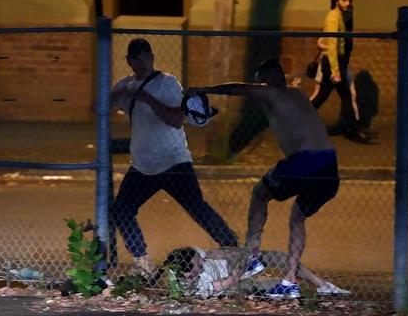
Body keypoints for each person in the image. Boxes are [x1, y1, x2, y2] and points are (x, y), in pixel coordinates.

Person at [187, 59, 340, 299]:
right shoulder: (297, 94)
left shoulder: (273, 93)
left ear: (267, 79)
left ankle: (253, 256)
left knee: (260, 193)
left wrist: (204, 90)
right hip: (329, 165)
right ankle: (289, 281)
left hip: (305, 161)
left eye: (261, 81)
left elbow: (238, 88)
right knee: (297, 217)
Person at [109, 38, 239, 276]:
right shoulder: (126, 85)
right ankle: (142, 261)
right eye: (137, 57)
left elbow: (175, 119)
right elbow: (103, 106)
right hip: (143, 165)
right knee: (122, 209)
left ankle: (234, 251)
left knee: (197, 208)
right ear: (129, 61)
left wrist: (146, 98)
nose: (143, 61)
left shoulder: (167, 83)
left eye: (146, 55)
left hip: (174, 161)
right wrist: (115, 96)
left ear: (152, 57)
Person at [157, 246, 350, 299]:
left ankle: (324, 286)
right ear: (187, 275)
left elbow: (215, 252)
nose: (202, 264)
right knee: (275, 286)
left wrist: (243, 253)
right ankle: (294, 288)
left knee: (283, 259)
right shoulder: (196, 288)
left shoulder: (185, 257)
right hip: (237, 280)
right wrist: (241, 262)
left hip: (234, 262)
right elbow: (231, 280)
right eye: (198, 266)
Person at [310, 0, 370, 144]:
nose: (347, 3)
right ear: (336, 0)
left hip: (338, 62)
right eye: (344, 0)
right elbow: (332, 44)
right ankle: (353, 132)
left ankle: (296, 122)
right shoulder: (333, 17)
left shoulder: (343, 16)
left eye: (349, 0)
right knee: (343, 97)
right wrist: (335, 71)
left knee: (325, 97)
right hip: (333, 63)